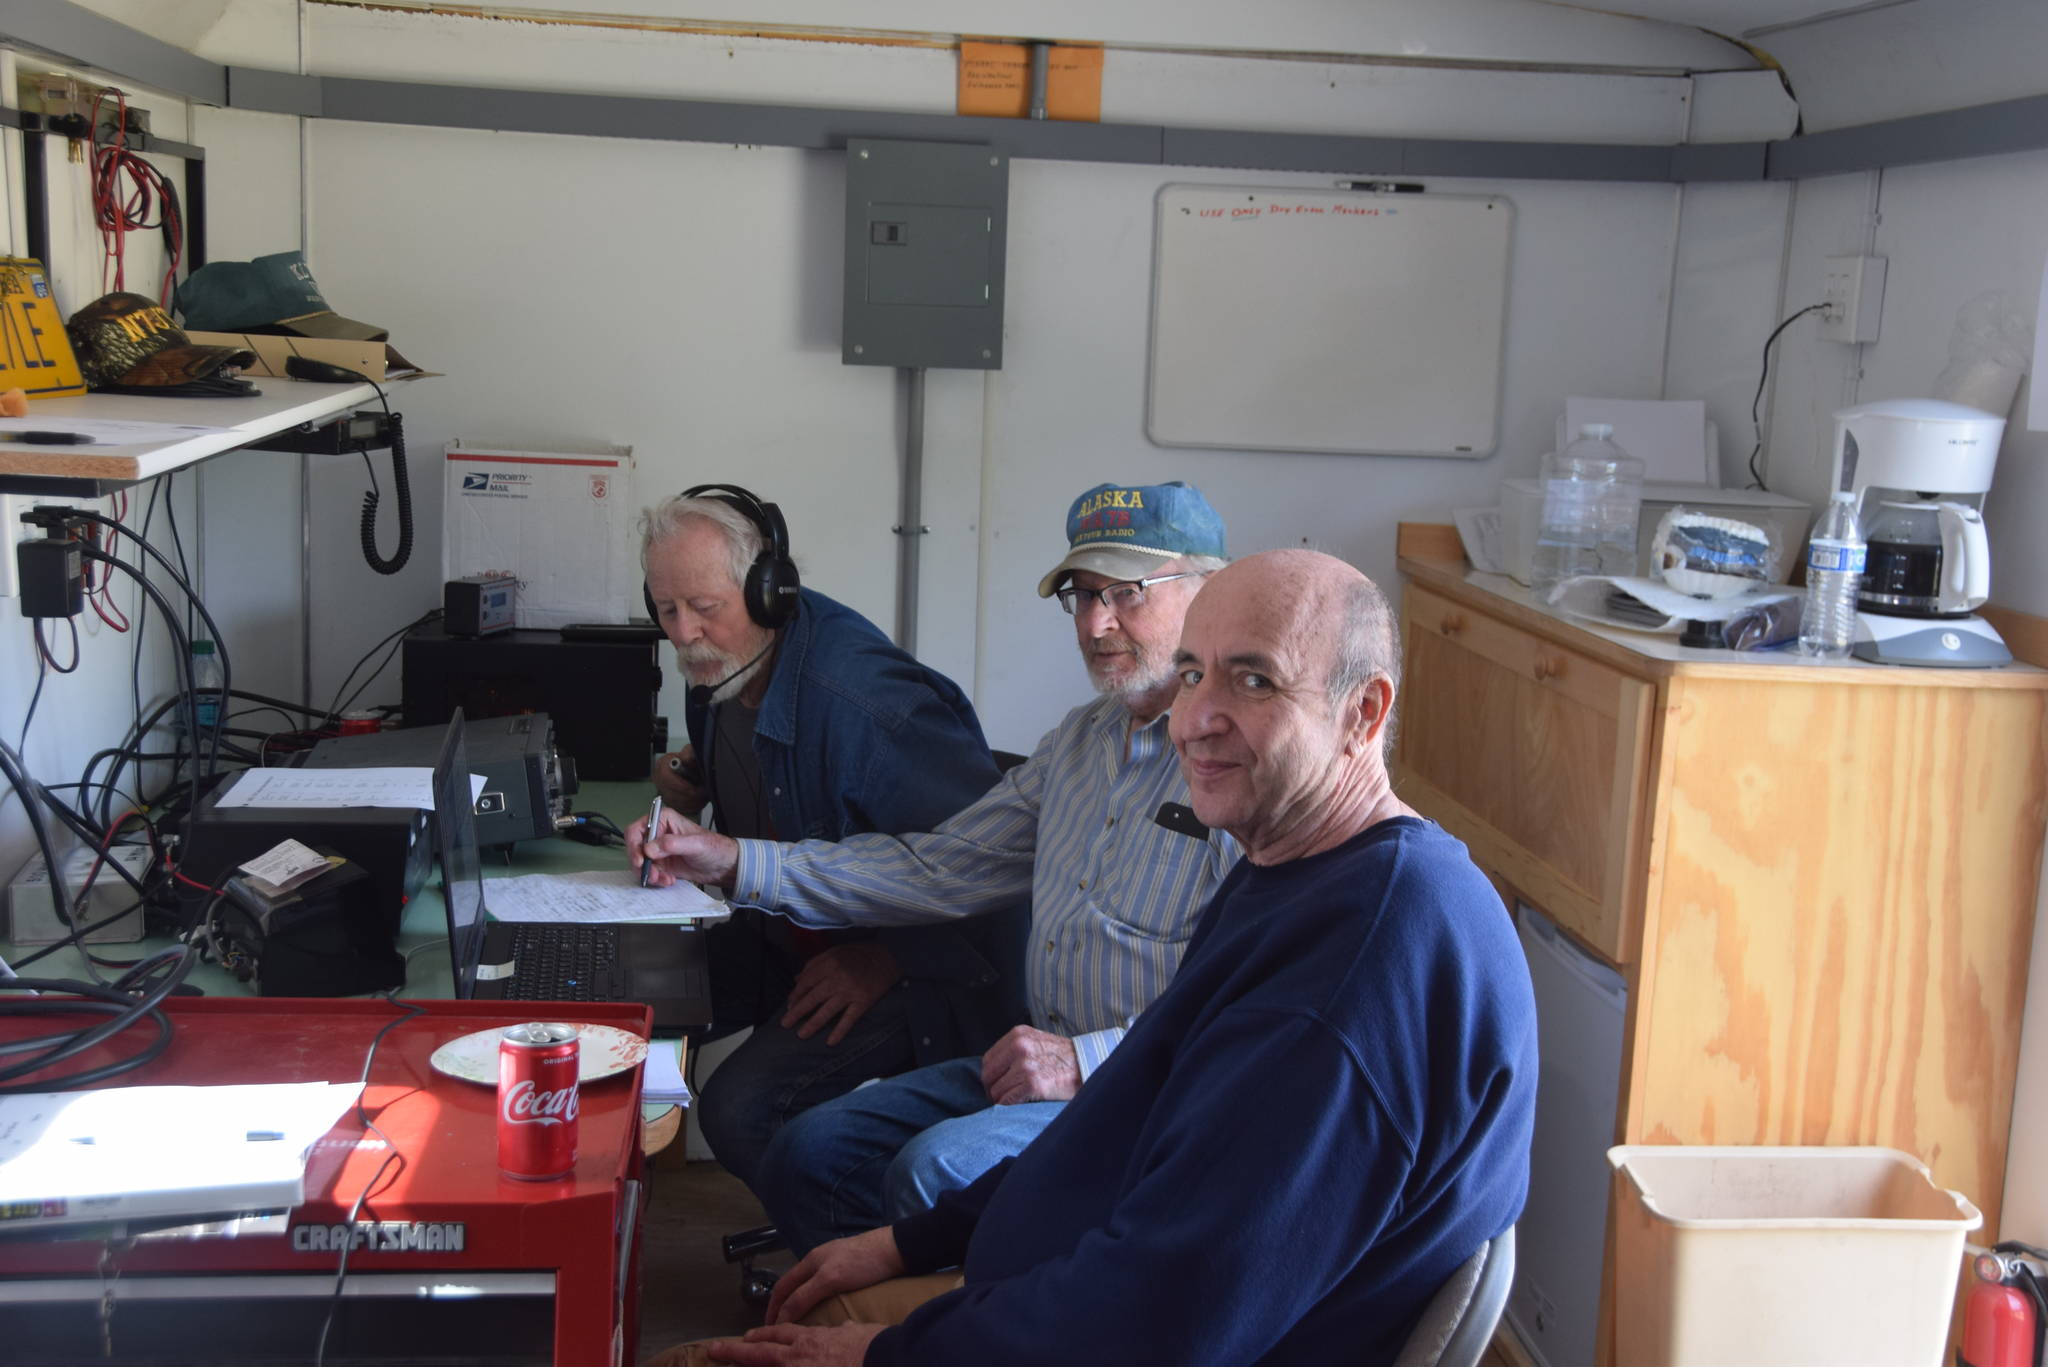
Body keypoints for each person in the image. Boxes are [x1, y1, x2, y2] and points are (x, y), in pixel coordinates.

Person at [654, 549, 1538, 1367]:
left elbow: (1169, 1316)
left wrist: (894, 1351)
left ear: (1364, 712)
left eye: (1254, 679)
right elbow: (1126, 1114)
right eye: (1193, 672)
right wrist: (910, 1242)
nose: (1197, 717)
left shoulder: (1360, 963)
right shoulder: (1290, 867)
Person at [636, 481, 1240, 1253]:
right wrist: (733, 861)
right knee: (805, 1153)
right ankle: (892, 1309)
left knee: (925, 1167)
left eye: (1127, 592)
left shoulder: (1238, 769)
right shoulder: (1081, 743)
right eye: (1082, 596)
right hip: (1034, 1058)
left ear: (1211, 593)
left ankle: (950, 1317)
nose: (1096, 623)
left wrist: (1084, 1060)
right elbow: (939, 865)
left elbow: (1250, 1001)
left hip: (1143, 1086)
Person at [636, 486, 1021, 1196]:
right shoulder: (722, 668)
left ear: (769, 591)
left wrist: (885, 957)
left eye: (706, 607)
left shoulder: (868, 705)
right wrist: (689, 786)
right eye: (667, 609)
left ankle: (893, 1256)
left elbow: (997, 865)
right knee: (628, 998)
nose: (685, 632)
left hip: (914, 963)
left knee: (743, 1110)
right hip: (792, 925)